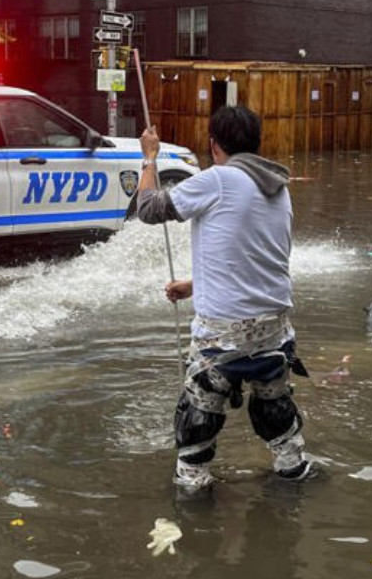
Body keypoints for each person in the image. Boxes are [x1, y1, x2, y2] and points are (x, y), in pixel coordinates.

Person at [137, 106, 314, 490]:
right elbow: (254, 256)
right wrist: (195, 284)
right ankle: (293, 473)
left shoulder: (217, 179)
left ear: (214, 145)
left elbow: (148, 209)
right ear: (255, 144)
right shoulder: (278, 187)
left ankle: (195, 497)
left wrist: (149, 158)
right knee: (276, 411)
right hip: (276, 331)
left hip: (223, 334)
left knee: (198, 415)